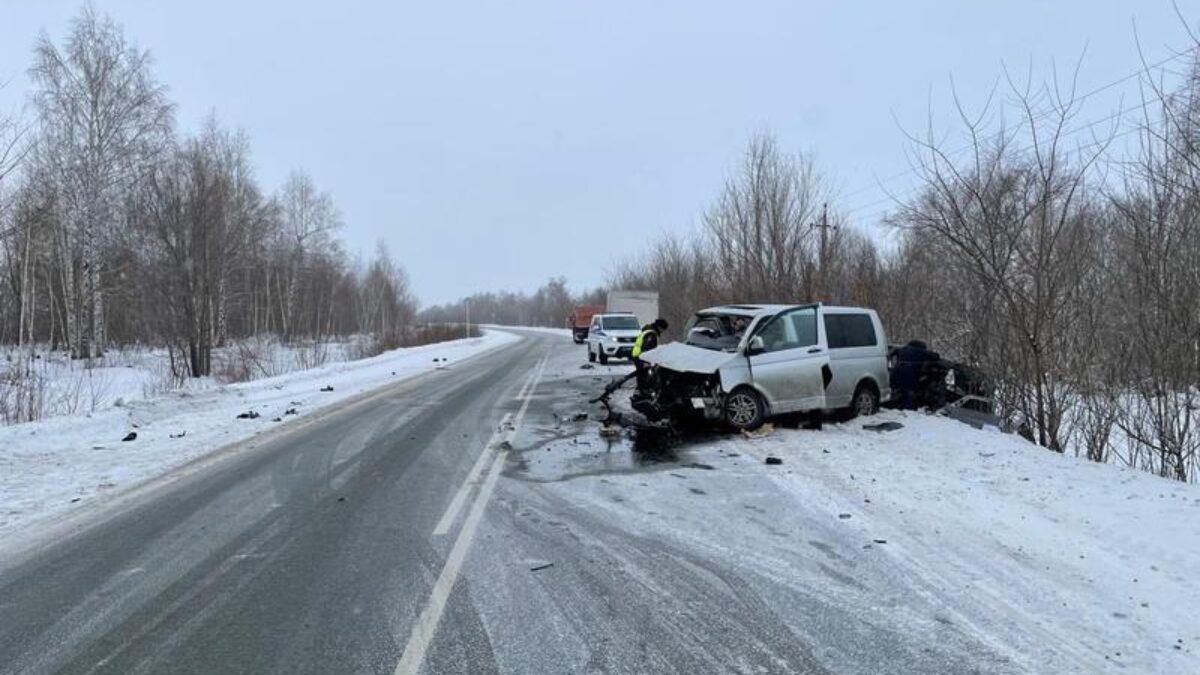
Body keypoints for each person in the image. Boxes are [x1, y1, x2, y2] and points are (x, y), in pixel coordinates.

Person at [632, 318, 669, 388]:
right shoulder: (651, 334)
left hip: (638, 355)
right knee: (643, 375)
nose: (662, 331)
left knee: (642, 374)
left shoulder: (648, 330)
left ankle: (641, 391)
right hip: (640, 356)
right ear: (659, 327)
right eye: (663, 329)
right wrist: (645, 362)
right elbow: (647, 347)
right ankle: (641, 391)